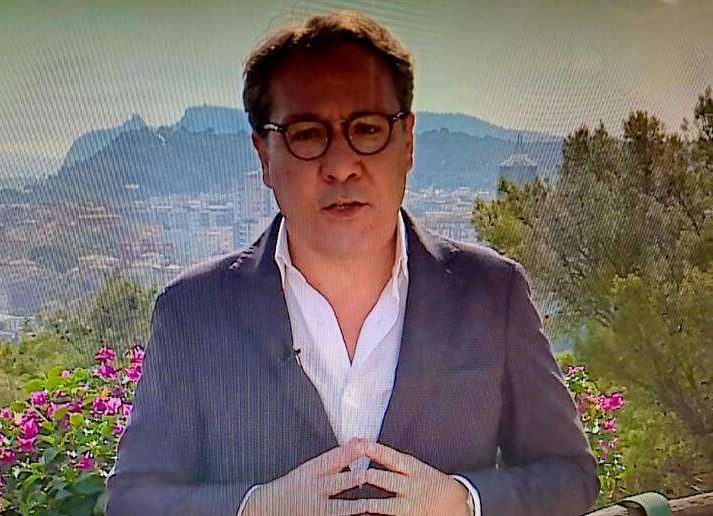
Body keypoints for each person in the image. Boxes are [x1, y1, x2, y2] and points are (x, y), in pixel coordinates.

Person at [106, 10, 599, 516]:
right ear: (264, 157)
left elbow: (569, 474)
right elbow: (134, 499)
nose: (341, 166)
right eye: (306, 133)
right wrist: (256, 508)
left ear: (408, 143)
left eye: (366, 129)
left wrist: (464, 502)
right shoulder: (193, 312)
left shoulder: (492, 293)